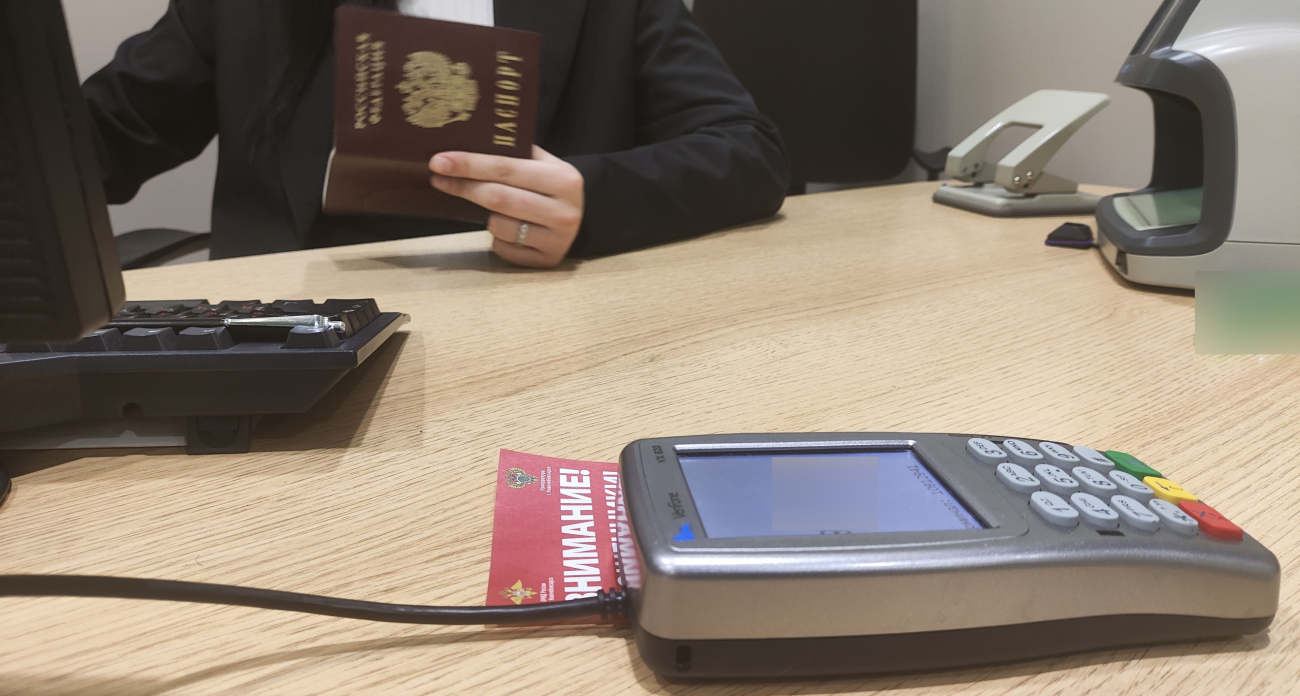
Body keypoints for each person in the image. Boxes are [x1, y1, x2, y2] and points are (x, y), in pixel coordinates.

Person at [83, 0, 791, 267]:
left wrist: (591, 200)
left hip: (539, 337)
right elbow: (99, 139)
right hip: (291, 358)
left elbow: (749, 152)